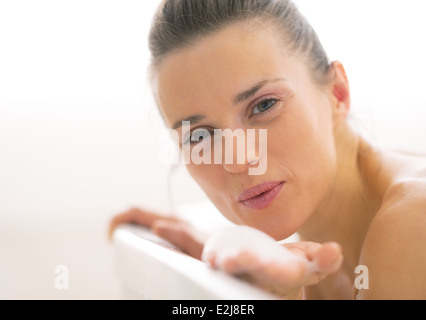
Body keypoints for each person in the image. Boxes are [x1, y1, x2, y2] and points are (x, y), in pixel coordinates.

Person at [109, 0, 426, 299]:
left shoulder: (413, 220)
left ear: (338, 94)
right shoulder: (318, 249)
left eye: (263, 105)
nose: (239, 160)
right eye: (199, 137)